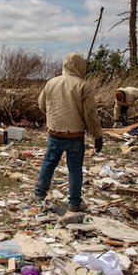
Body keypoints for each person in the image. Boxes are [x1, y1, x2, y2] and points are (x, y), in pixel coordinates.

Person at [34, 53, 103, 212]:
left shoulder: (51, 82)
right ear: (81, 66)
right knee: (75, 169)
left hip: (55, 132)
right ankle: (74, 203)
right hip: (75, 135)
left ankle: (39, 194)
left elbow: (42, 104)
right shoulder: (83, 86)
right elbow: (90, 114)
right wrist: (97, 135)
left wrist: (52, 116)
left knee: (49, 162)